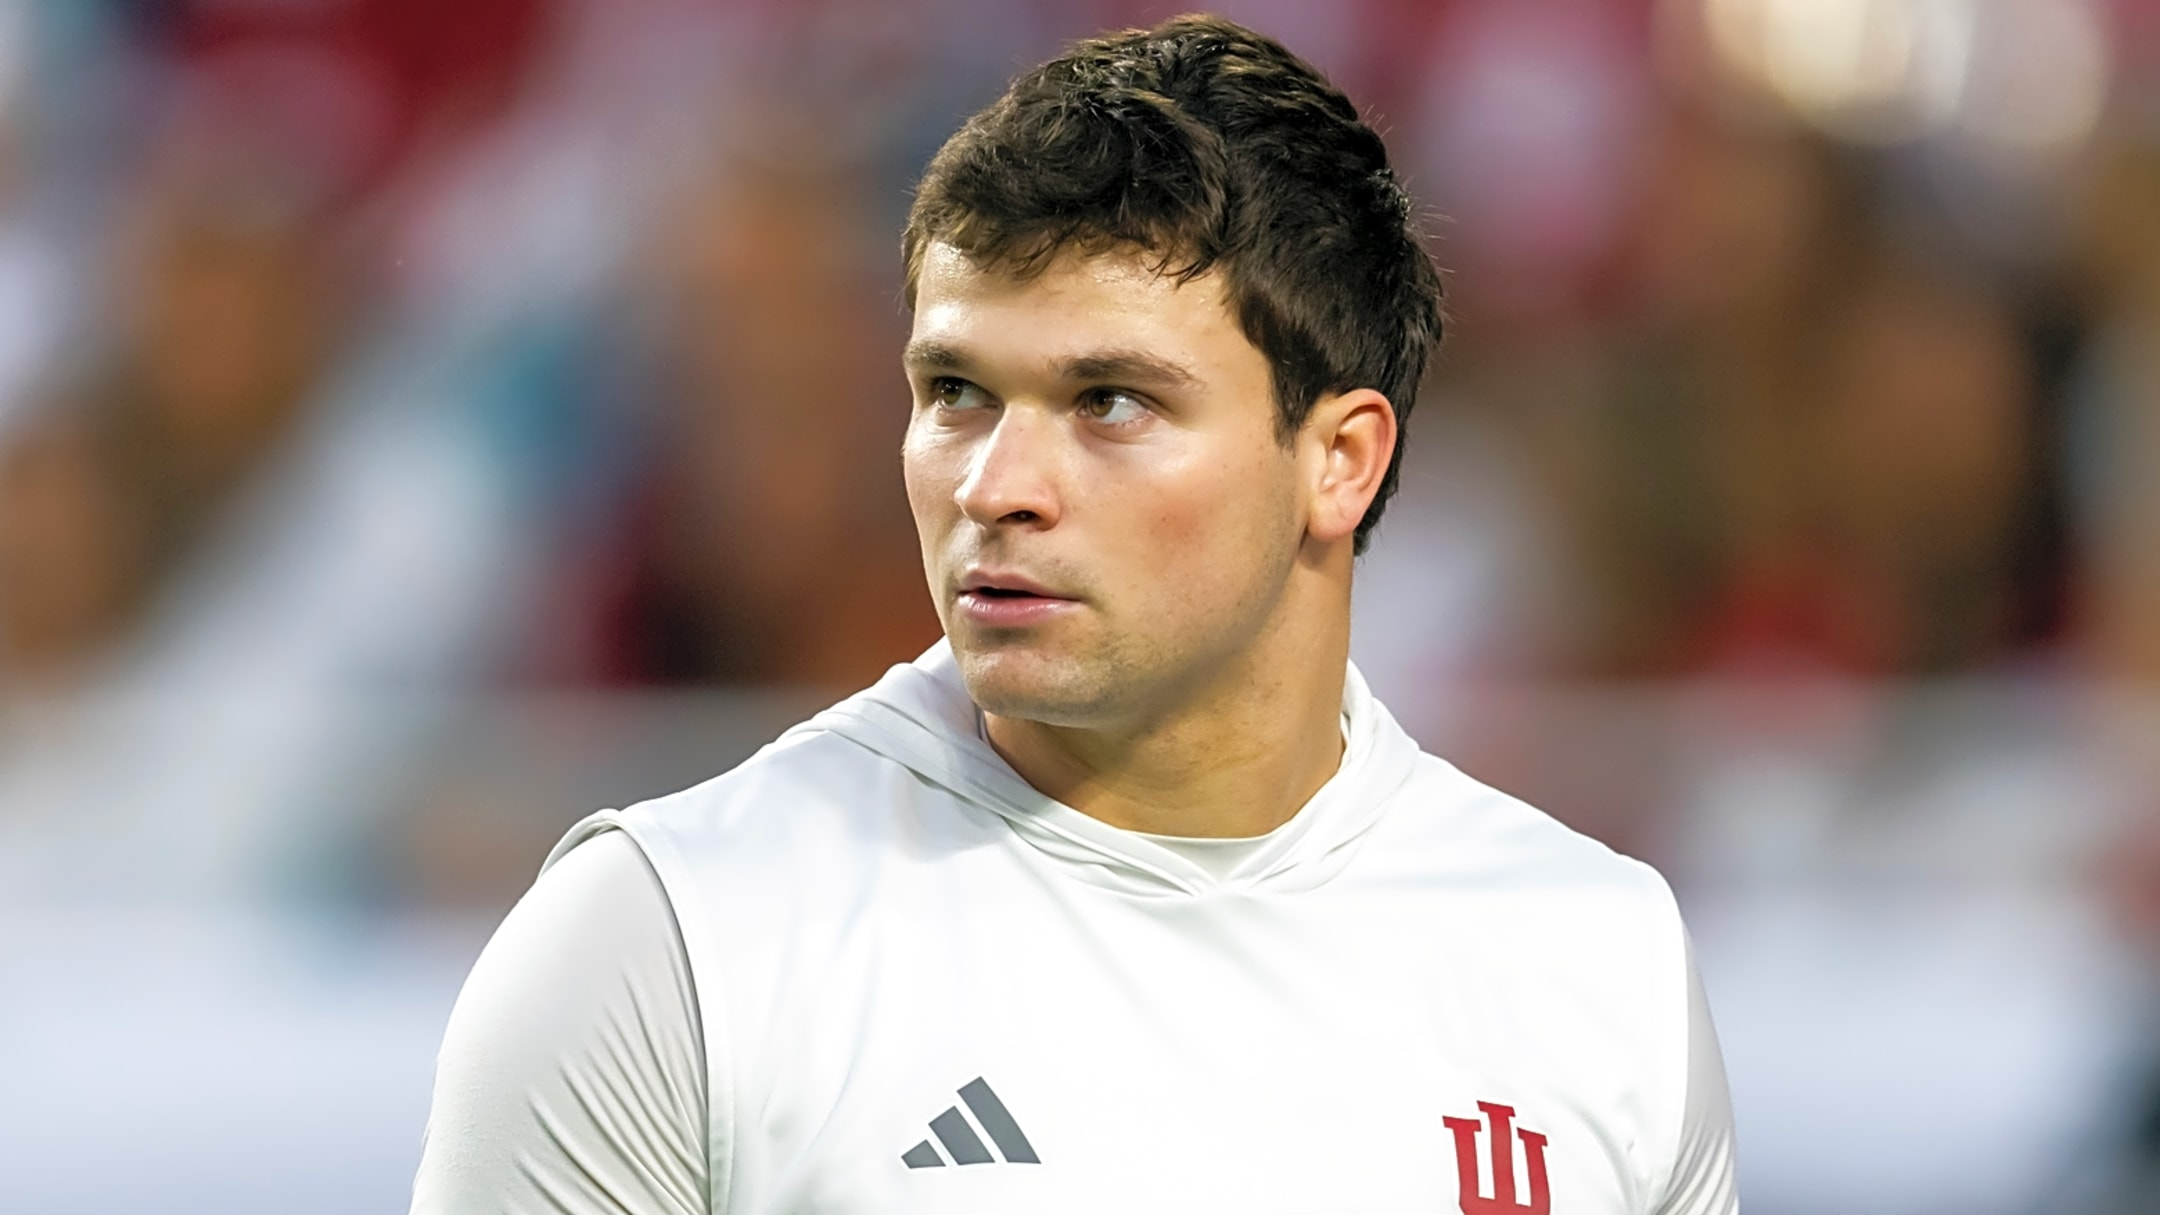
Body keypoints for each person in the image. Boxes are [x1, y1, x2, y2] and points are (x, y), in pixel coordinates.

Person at [409, 15, 1737, 1214]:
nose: (998, 486)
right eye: (957, 392)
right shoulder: (669, 949)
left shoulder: (1592, 962)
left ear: (1339, 461)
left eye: (1112, 402)